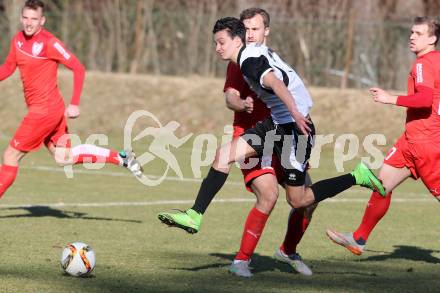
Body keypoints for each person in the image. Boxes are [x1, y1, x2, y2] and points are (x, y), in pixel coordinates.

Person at [158, 16, 385, 261]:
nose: (217, 48)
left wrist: (297, 113)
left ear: (237, 40)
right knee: (223, 155)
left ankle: (356, 176)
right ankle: (195, 215)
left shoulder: (248, 62)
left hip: (295, 130)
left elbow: (275, 82)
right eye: (215, 43)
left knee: (299, 200)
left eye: (221, 42)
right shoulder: (253, 52)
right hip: (275, 124)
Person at [0, 0, 142, 199]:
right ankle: (121, 158)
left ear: (42, 20)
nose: (29, 23)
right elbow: (7, 67)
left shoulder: (50, 43)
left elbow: (78, 68)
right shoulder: (18, 40)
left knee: (10, 156)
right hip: (49, 111)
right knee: (63, 157)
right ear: (21, 18)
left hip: (44, 112)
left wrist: (74, 103)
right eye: (25, 18)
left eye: (34, 19)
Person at [326, 16, 440, 255]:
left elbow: (425, 99)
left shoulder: (424, 63)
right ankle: (358, 238)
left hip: (425, 142)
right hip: (411, 139)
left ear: (432, 39)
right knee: (382, 184)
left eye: (418, 34)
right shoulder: (433, 61)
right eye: (411, 32)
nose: (411, 37)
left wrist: (391, 99)